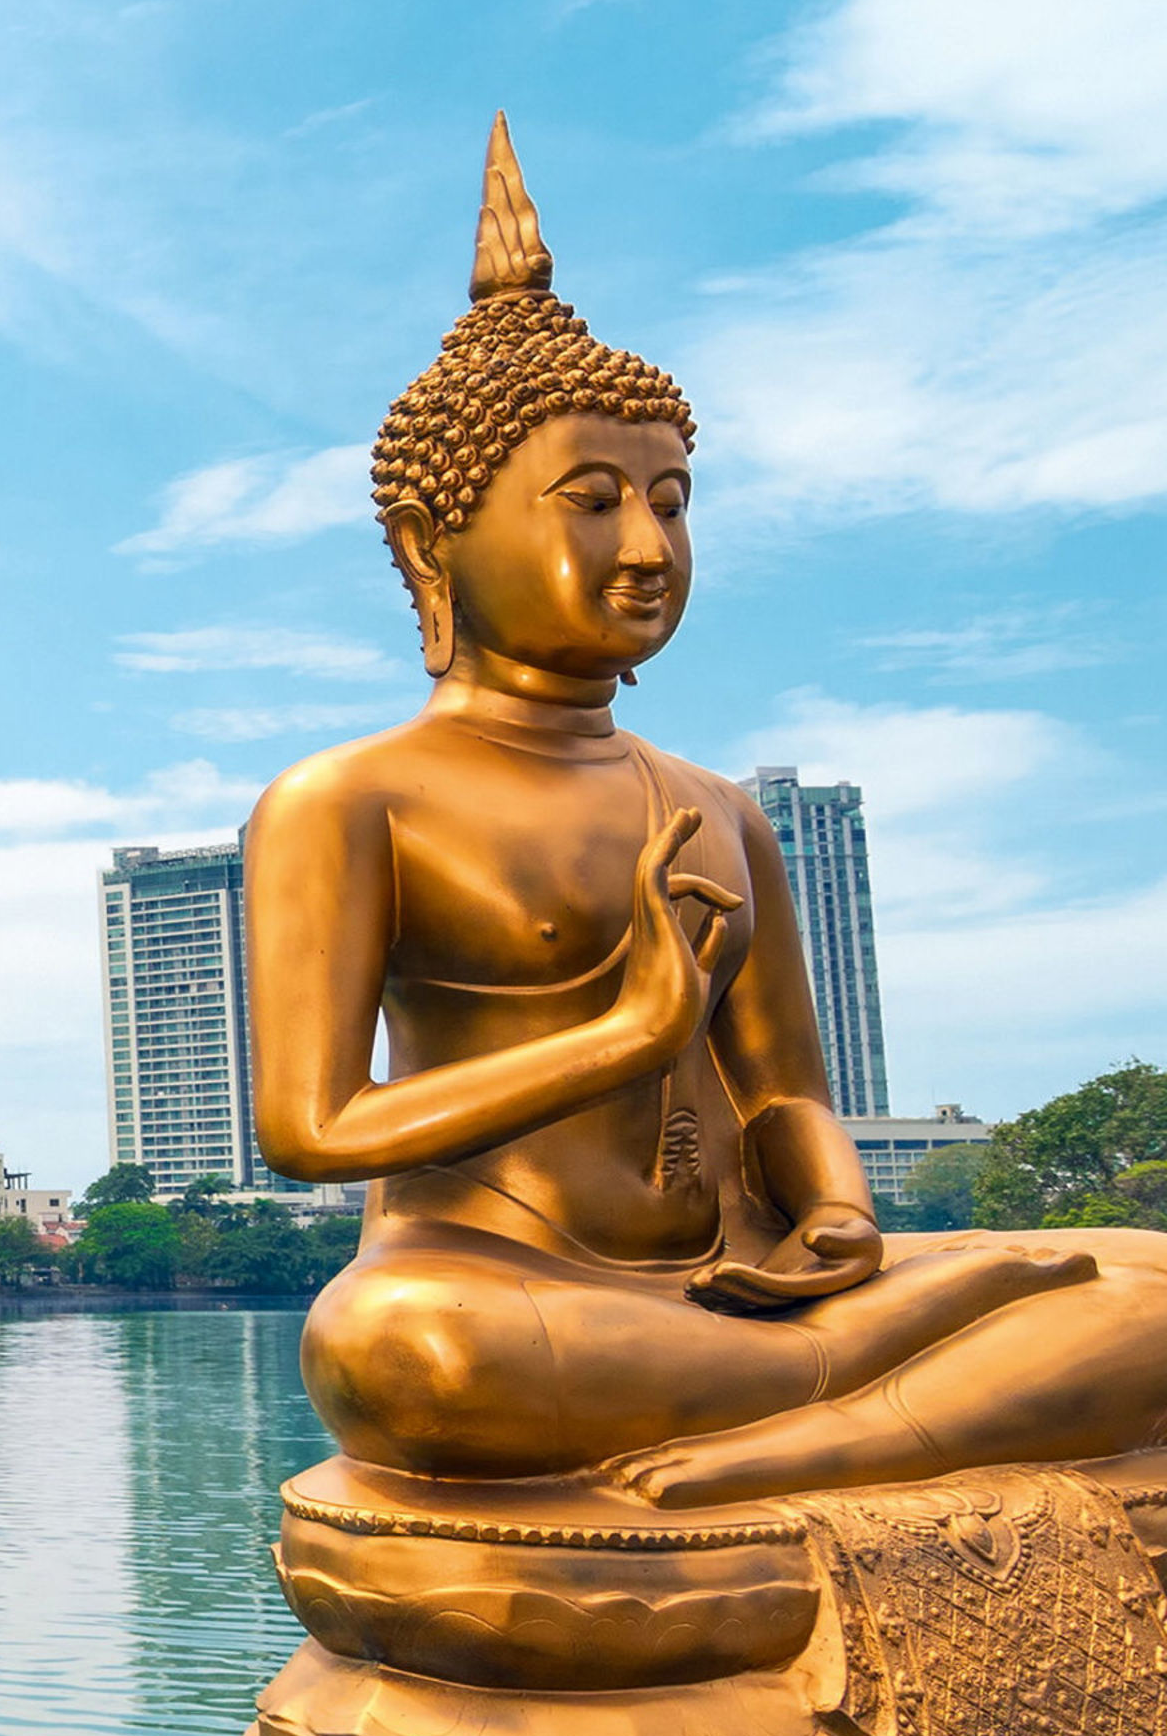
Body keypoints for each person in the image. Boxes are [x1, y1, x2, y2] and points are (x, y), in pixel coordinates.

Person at [249, 119, 1165, 1509]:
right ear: (436, 543)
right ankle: (912, 1364)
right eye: (594, 501)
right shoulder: (353, 798)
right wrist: (626, 1036)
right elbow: (311, 1129)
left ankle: (829, 1425)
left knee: (1154, 1283)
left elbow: (787, 1085)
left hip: (735, 1283)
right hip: (500, 1281)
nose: (646, 550)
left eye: (672, 504)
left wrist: (843, 1217)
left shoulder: (714, 807)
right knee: (402, 1357)